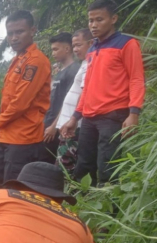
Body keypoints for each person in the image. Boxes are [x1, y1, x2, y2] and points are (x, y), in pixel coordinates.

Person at [62, 0, 145, 186]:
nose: (93, 25)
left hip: (113, 116)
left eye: (99, 20)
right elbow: (88, 86)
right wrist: (75, 117)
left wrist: (134, 113)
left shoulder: (127, 44)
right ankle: (84, 208)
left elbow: (137, 79)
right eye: (91, 20)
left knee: (107, 167)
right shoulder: (92, 49)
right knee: (83, 165)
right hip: (89, 118)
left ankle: (110, 209)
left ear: (113, 19)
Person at [0, 10, 52, 189]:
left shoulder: (36, 61)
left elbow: (21, 103)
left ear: (32, 30)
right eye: (10, 33)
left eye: (19, 32)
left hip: (24, 139)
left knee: (13, 191)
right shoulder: (18, 60)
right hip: (6, 136)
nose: (14, 37)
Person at [56, 29, 94, 173]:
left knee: (65, 166)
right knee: (63, 163)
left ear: (90, 43)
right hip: (69, 125)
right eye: (74, 46)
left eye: (79, 45)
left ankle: (68, 194)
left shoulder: (89, 64)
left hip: (74, 126)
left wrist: (73, 119)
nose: (75, 49)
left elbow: (84, 92)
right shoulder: (84, 63)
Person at [41, 32, 82, 164]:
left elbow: (68, 102)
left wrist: (54, 126)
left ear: (67, 48)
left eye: (56, 49)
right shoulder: (60, 72)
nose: (53, 53)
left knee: (56, 164)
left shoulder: (74, 70)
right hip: (49, 124)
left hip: (60, 127)